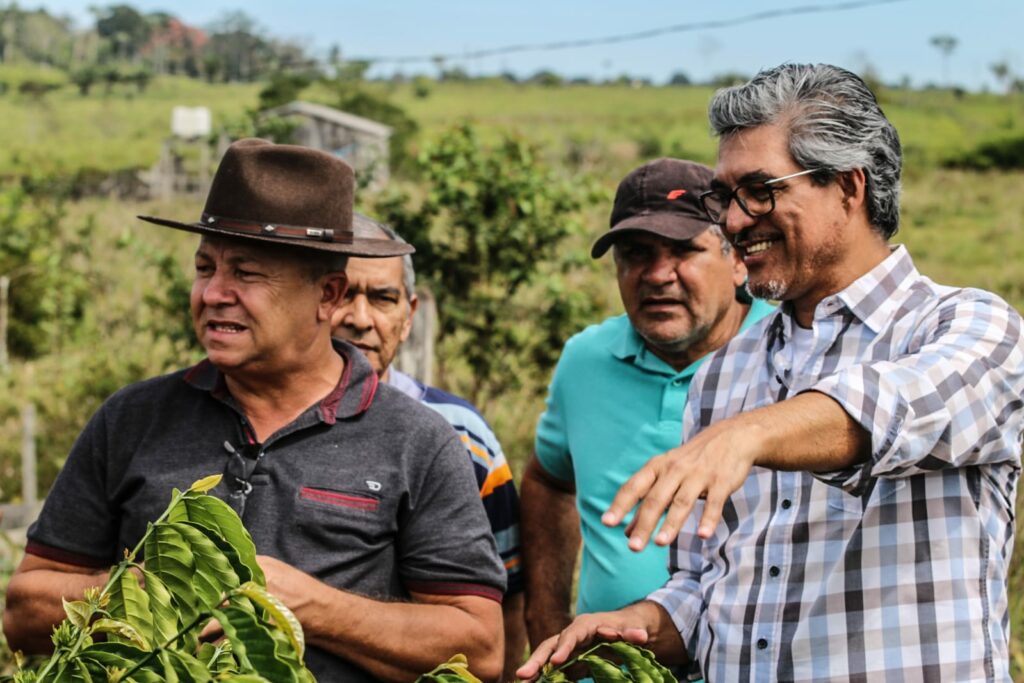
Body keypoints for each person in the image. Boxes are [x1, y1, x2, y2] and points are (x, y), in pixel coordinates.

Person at [519, 63, 1024, 682]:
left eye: (760, 189)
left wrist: (750, 434)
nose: (733, 221)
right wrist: (639, 624)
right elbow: (708, 587)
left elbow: (897, 407)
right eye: (726, 197)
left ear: (848, 186)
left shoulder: (972, 328)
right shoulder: (724, 376)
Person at [3, 139, 507, 682]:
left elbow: (479, 650)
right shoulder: (132, 418)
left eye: (247, 273)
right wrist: (148, 590)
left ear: (327, 295)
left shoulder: (417, 441)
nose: (214, 293)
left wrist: (312, 608)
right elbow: (25, 609)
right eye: (205, 268)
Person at [519, 158, 774, 648]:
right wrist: (548, 622)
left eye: (683, 251)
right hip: (606, 671)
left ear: (737, 257)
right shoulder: (586, 361)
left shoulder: (782, 357)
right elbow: (550, 479)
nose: (657, 275)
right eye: (636, 254)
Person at [331, 215, 527, 678]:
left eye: (382, 298)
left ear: (408, 316)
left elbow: (509, 590)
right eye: (343, 294)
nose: (360, 320)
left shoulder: (462, 432)